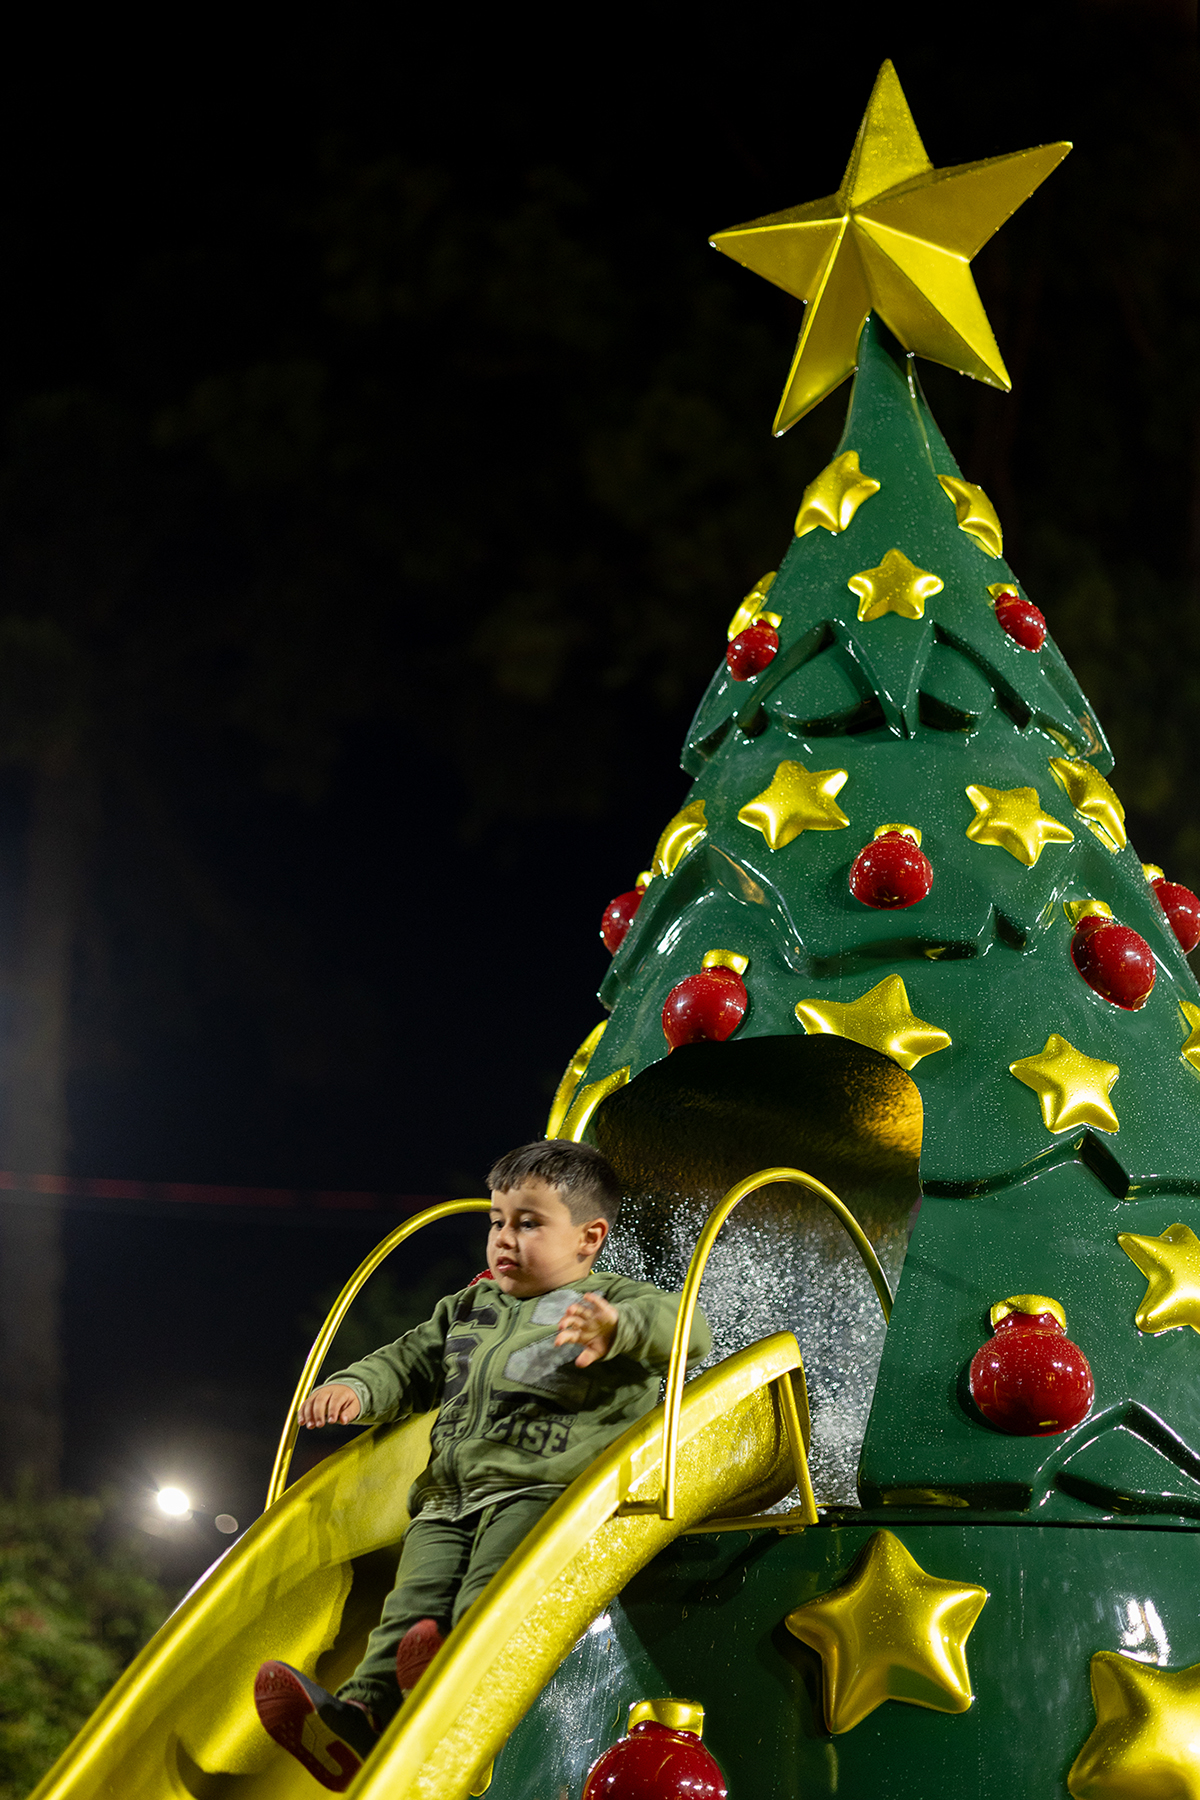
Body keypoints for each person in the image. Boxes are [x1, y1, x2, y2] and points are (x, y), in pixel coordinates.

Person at [253, 1138, 712, 1791]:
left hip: (539, 1490)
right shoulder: (467, 1309)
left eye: (529, 1223)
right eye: (497, 1220)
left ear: (589, 1237)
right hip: (446, 1495)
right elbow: (408, 1363)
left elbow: (689, 1331)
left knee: (486, 1595)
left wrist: (616, 1331)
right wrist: (355, 1389)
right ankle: (361, 1718)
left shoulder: (611, 1301)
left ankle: (455, 1690)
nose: (504, 1237)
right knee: (407, 1608)